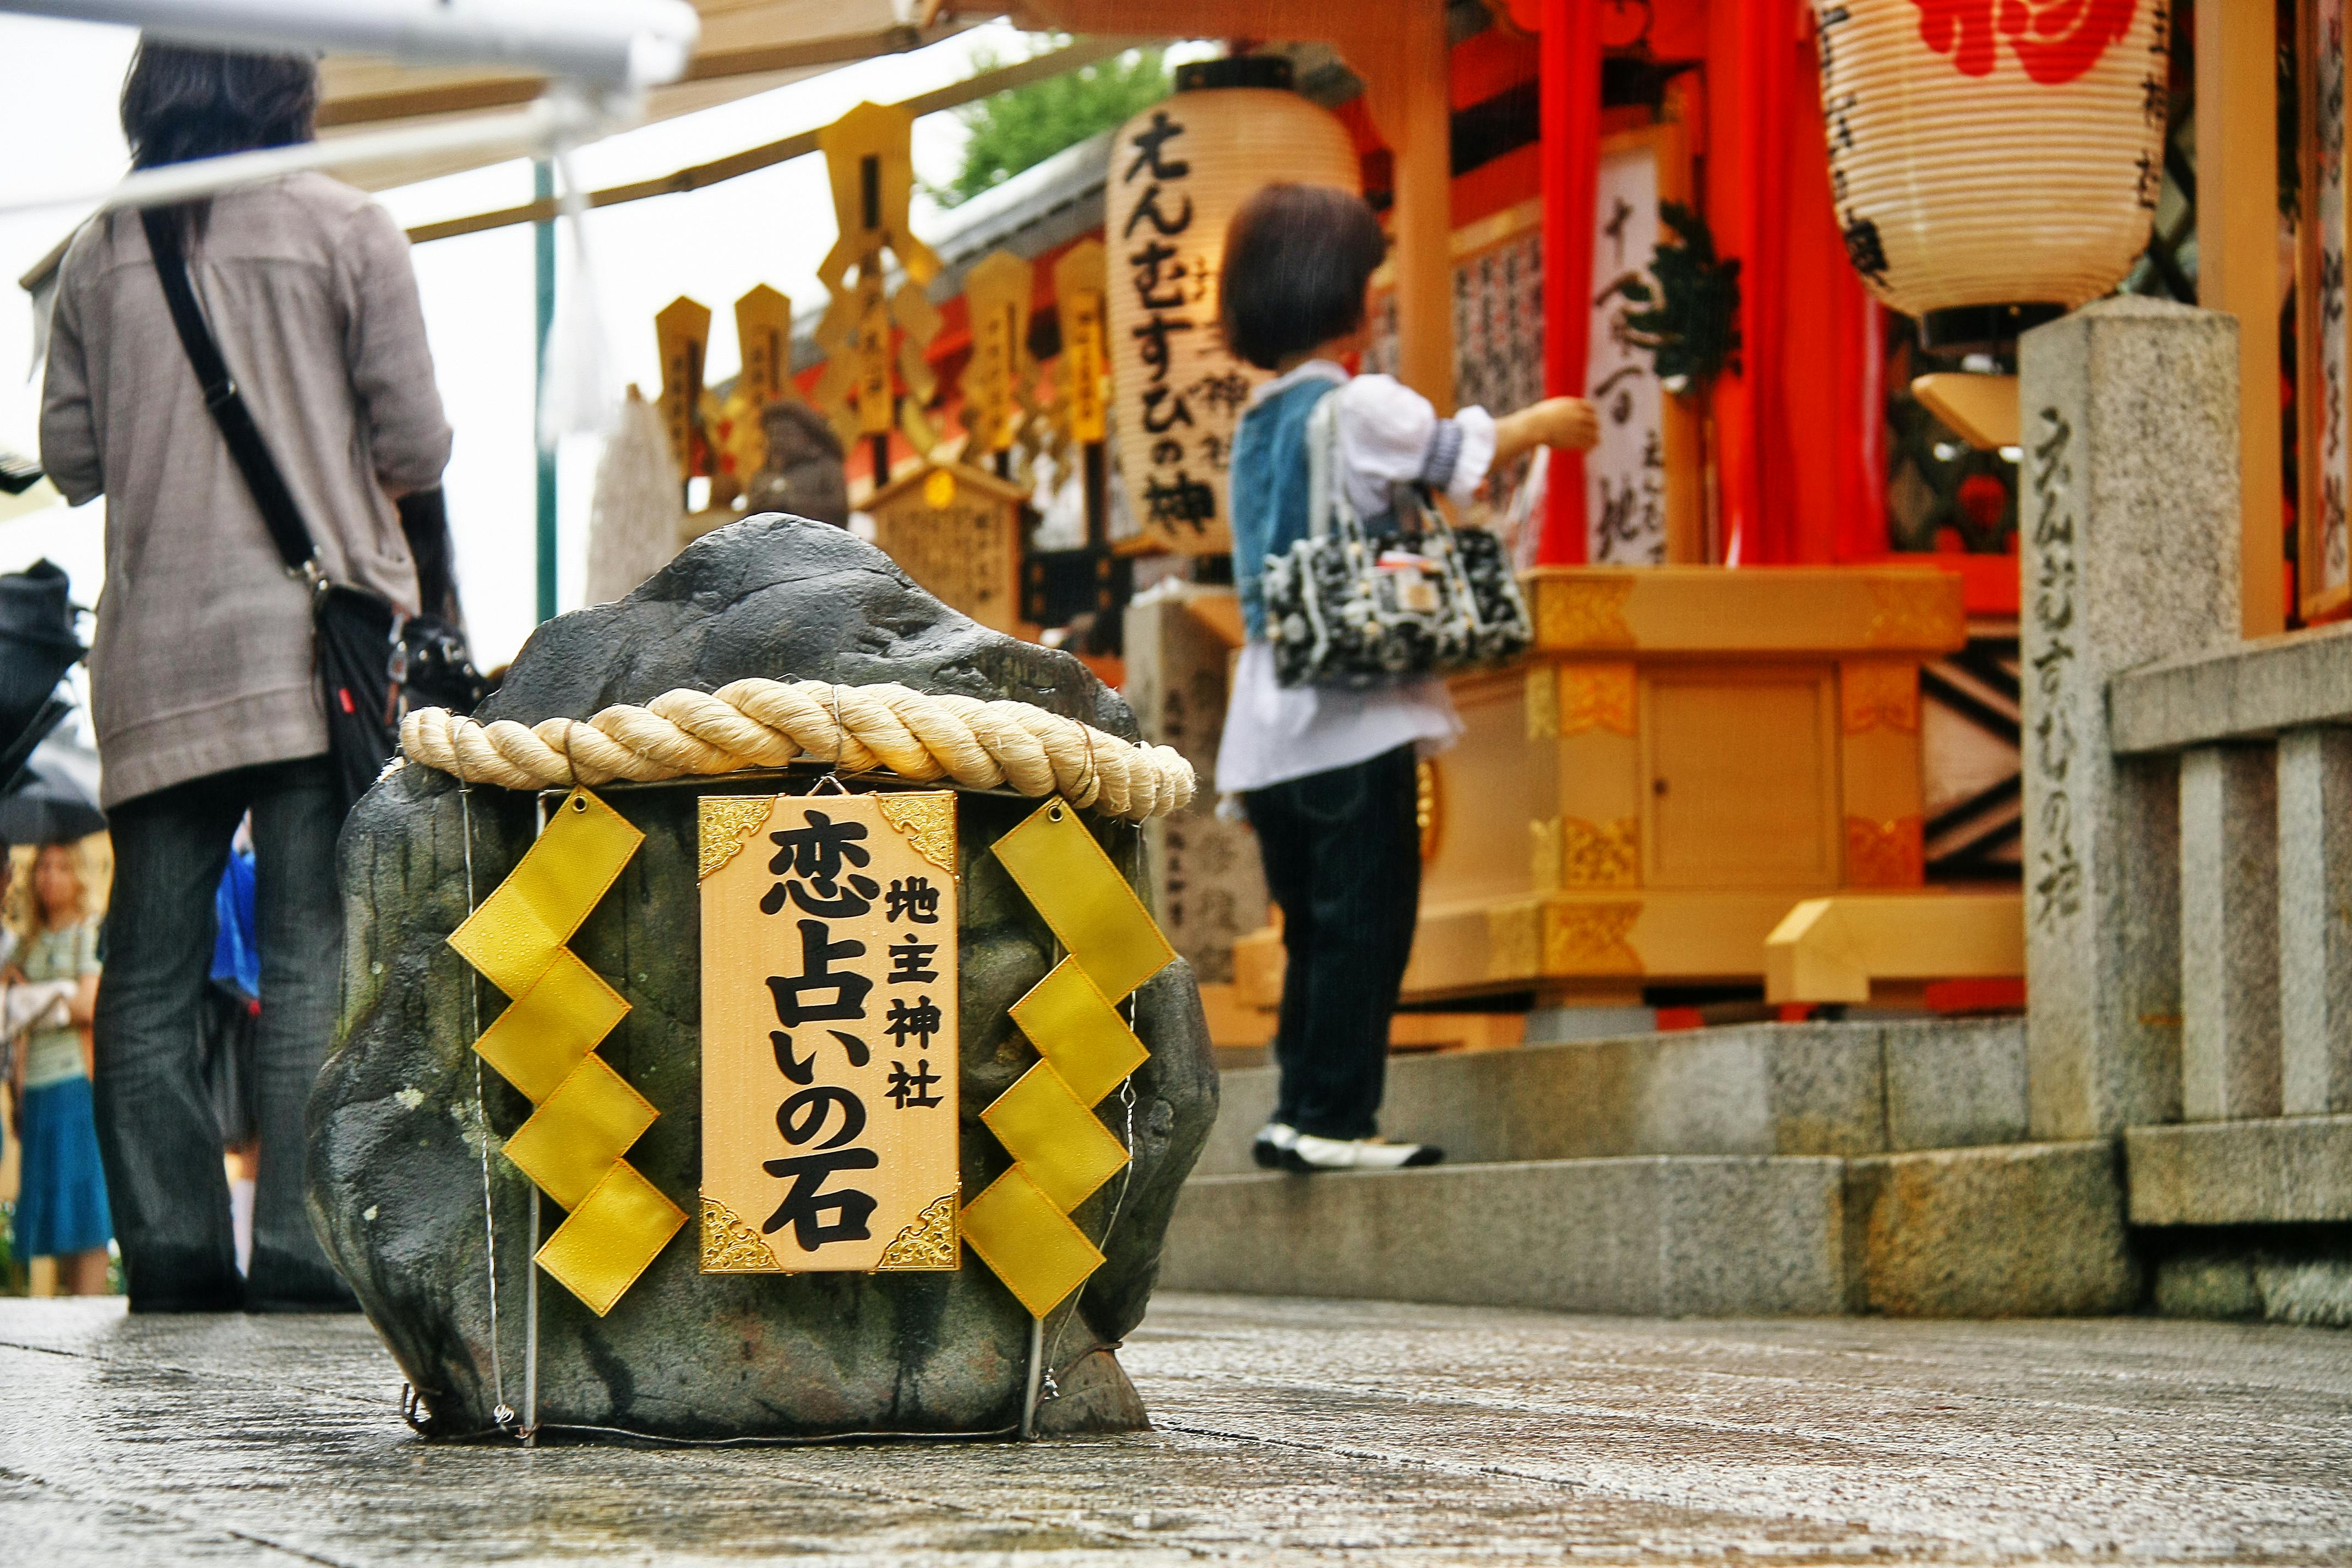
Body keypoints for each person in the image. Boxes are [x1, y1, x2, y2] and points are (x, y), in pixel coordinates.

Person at [38, 42, 453, 1311]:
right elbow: (416, 441)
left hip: (157, 659)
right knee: (314, 948)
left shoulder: (100, 253)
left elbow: (68, 456)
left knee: (150, 968)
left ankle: (169, 1254)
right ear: (285, 83)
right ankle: (298, 1248)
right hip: (311, 649)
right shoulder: (346, 226)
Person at [1217, 183, 1598, 1174]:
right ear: (1343, 295)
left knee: (1311, 924)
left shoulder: (1257, 420)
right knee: (1365, 920)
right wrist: (1542, 422)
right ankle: (1336, 1120)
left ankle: (1297, 1107)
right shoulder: (1359, 404)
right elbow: (1452, 453)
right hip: (1355, 707)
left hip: (1266, 717)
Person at [10, 844, 112, 1295]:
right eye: (43, 868)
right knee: (49, 1206)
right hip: (35, 1086)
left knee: (83, 1208)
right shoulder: (27, 945)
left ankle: (88, 1303)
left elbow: (89, 1004)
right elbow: (15, 1022)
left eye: (62, 867)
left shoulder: (86, 934)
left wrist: (36, 1000)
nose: (51, 877)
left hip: (76, 1080)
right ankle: (53, 1312)